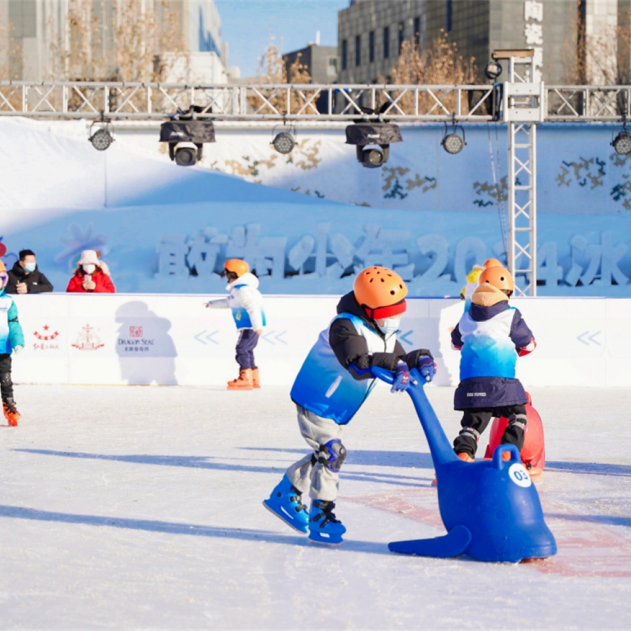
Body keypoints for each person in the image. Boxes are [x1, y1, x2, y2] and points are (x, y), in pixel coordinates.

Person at [263, 266, 436, 546]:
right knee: (333, 453)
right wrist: (394, 364)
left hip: (337, 405)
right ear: (367, 309)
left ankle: (285, 493)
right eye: (385, 313)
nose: (393, 318)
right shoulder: (344, 326)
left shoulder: (381, 330)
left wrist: (422, 359)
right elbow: (358, 363)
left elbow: (398, 356)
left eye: (398, 310)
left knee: (326, 454)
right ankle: (321, 517)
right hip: (317, 399)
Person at [450, 266, 536, 464]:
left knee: (472, 425)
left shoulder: (467, 315)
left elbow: (455, 343)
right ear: (506, 292)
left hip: (470, 384)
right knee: (518, 415)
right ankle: (507, 454)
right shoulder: (510, 314)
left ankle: (463, 455)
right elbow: (528, 343)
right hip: (502, 384)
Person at [205, 259, 265, 390]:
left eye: (226, 273)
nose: (225, 275)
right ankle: (253, 377)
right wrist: (212, 304)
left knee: (242, 349)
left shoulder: (244, 290)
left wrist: (257, 326)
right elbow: (229, 302)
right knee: (247, 350)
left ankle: (245, 378)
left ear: (233, 274)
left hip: (251, 326)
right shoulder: (239, 290)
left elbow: (253, 307)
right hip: (250, 325)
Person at [0, 261, 25, 426]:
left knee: (6, 380)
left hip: (2, 349)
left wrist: (18, 342)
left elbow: (14, 323)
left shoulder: (8, 301)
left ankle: (9, 407)